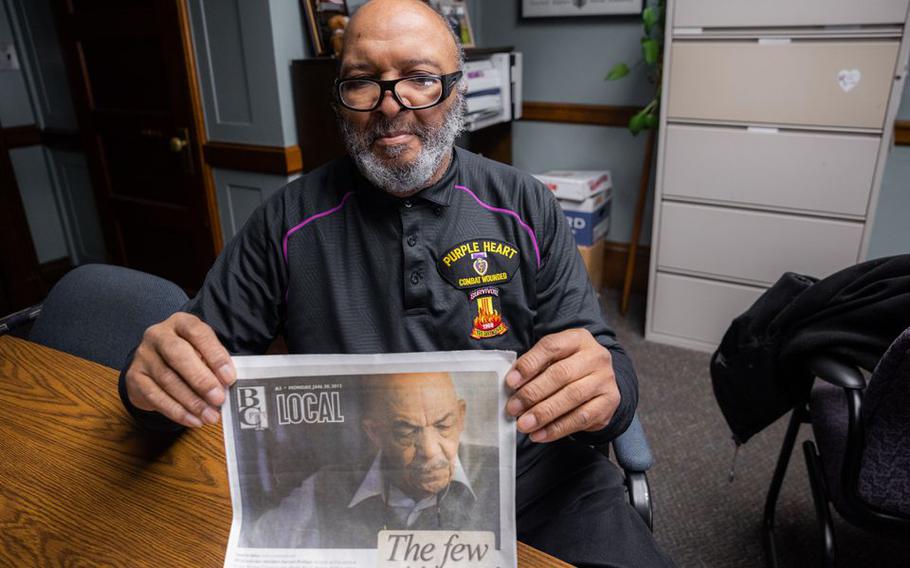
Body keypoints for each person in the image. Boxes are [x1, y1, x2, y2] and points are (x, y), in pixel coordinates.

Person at [119, 0, 674, 565]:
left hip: (534, 485)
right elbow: (187, 369)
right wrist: (148, 387)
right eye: (362, 82)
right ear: (339, 100)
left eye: (420, 78)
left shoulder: (524, 203)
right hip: (363, 498)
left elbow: (603, 362)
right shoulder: (286, 222)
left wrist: (607, 390)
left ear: (457, 89)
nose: (392, 106)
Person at [244, 372, 500, 549]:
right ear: (374, 433)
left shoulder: (500, 473)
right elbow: (251, 548)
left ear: (461, 416)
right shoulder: (324, 487)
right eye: (406, 432)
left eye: (444, 425)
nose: (431, 451)